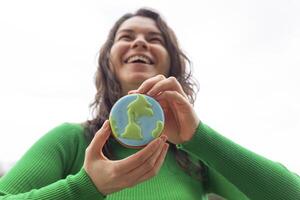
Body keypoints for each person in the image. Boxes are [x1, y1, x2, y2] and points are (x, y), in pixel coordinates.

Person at [0, 8, 299, 200]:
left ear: (171, 64)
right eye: (126, 36)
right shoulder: (72, 141)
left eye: (154, 39)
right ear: (109, 62)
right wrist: (84, 187)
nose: (140, 42)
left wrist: (200, 138)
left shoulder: (195, 155)